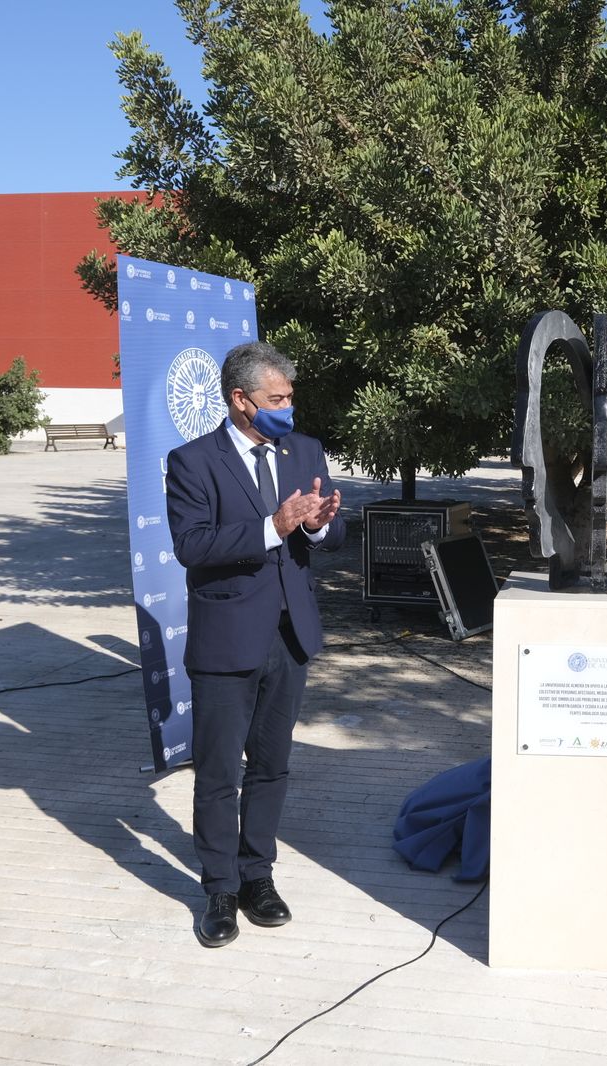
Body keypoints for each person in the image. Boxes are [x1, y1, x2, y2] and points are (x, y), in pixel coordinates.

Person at [165, 342, 345, 948]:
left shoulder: (305, 451)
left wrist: (318, 525)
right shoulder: (192, 462)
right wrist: (275, 526)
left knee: (272, 766)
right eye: (277, 399)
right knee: (219, 772)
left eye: (291, 397)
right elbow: (193, 546)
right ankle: (217, 887)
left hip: (289, 636)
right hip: (226, 640)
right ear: (241, 401)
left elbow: (328, 530)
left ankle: (256, 876)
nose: (288, 409)